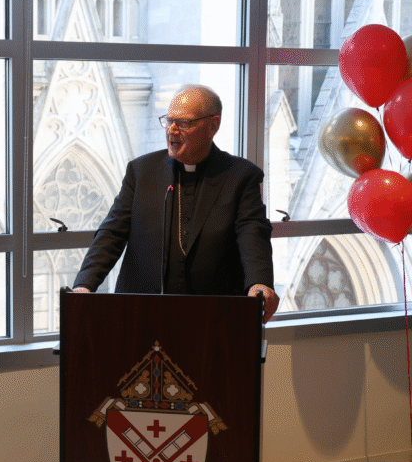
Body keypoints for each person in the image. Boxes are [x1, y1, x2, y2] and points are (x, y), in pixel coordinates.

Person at [72, 85, 280, 322]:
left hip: (212, 317)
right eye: (169, 120)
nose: (172, 129)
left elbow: (253, 234)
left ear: (213, 125)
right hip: (142, 314)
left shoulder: (241, 176)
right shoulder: (142, 172)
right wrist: (85, 284)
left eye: (184, 123)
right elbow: (112, 232)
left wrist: (259, 282)